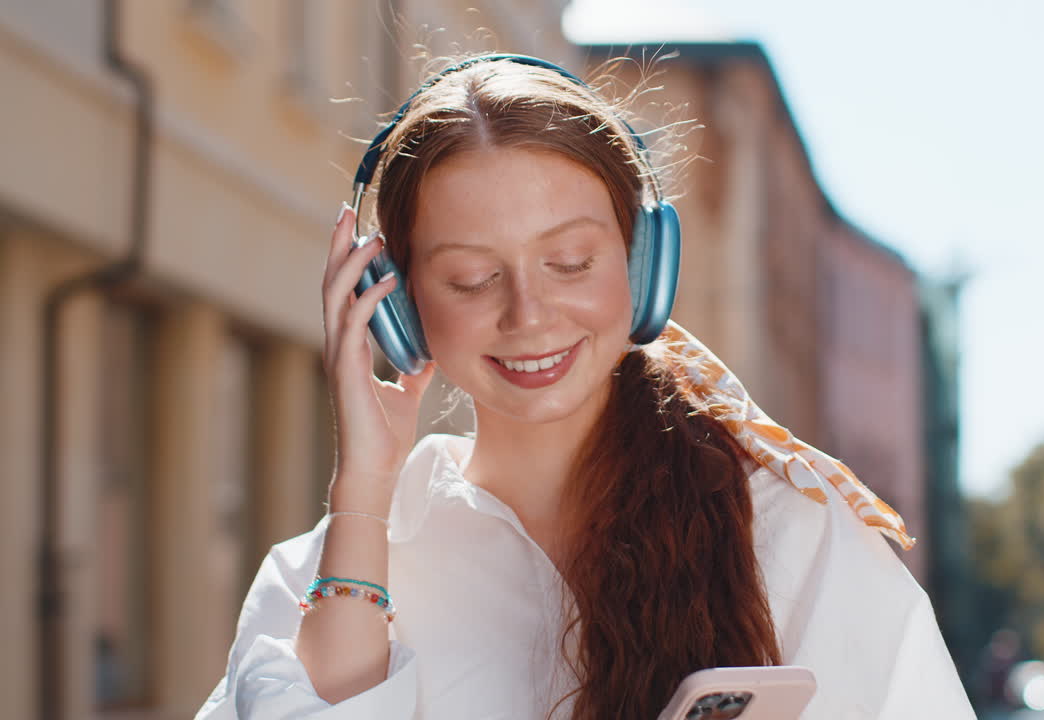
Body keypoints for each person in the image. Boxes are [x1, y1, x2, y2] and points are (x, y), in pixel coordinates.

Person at [195, 53, 975, 720]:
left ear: (643, 267)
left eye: (570, 263)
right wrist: (362, 488)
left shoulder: (794, 534)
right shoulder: (321, 575)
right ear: (397, 303)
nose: (529, 315)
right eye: (470, 279)